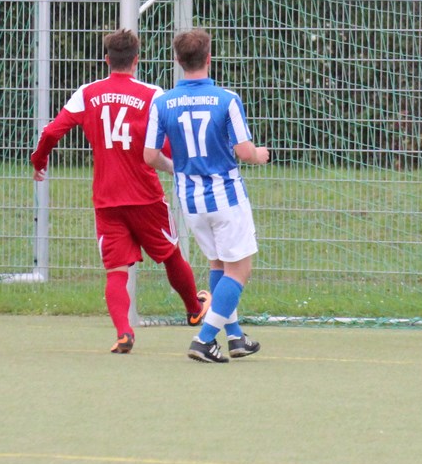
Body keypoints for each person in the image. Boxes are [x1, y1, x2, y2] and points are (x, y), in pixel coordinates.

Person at [30, 28, 208, 353]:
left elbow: (52, 131)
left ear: (106, 59)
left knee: (116, 271)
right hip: (146, 197)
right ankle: (194, 311)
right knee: (170, 254)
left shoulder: (88, 93)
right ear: (136, 60)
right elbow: (168, 141)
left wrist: (39, 160)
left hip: (107, 199)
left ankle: (124, 332)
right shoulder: (153, 95)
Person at [144, 29, 270, 363]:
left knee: (218, 264)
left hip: (191, 200)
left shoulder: (163, 102)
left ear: (177, 61)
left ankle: (235, 337)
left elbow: (150, 156)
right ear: (209, 58)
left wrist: (178, 169)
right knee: (239, 270)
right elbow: (244, 151)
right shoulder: (226, 98)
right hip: (225, 197)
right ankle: (203, 339)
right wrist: (260, 154)